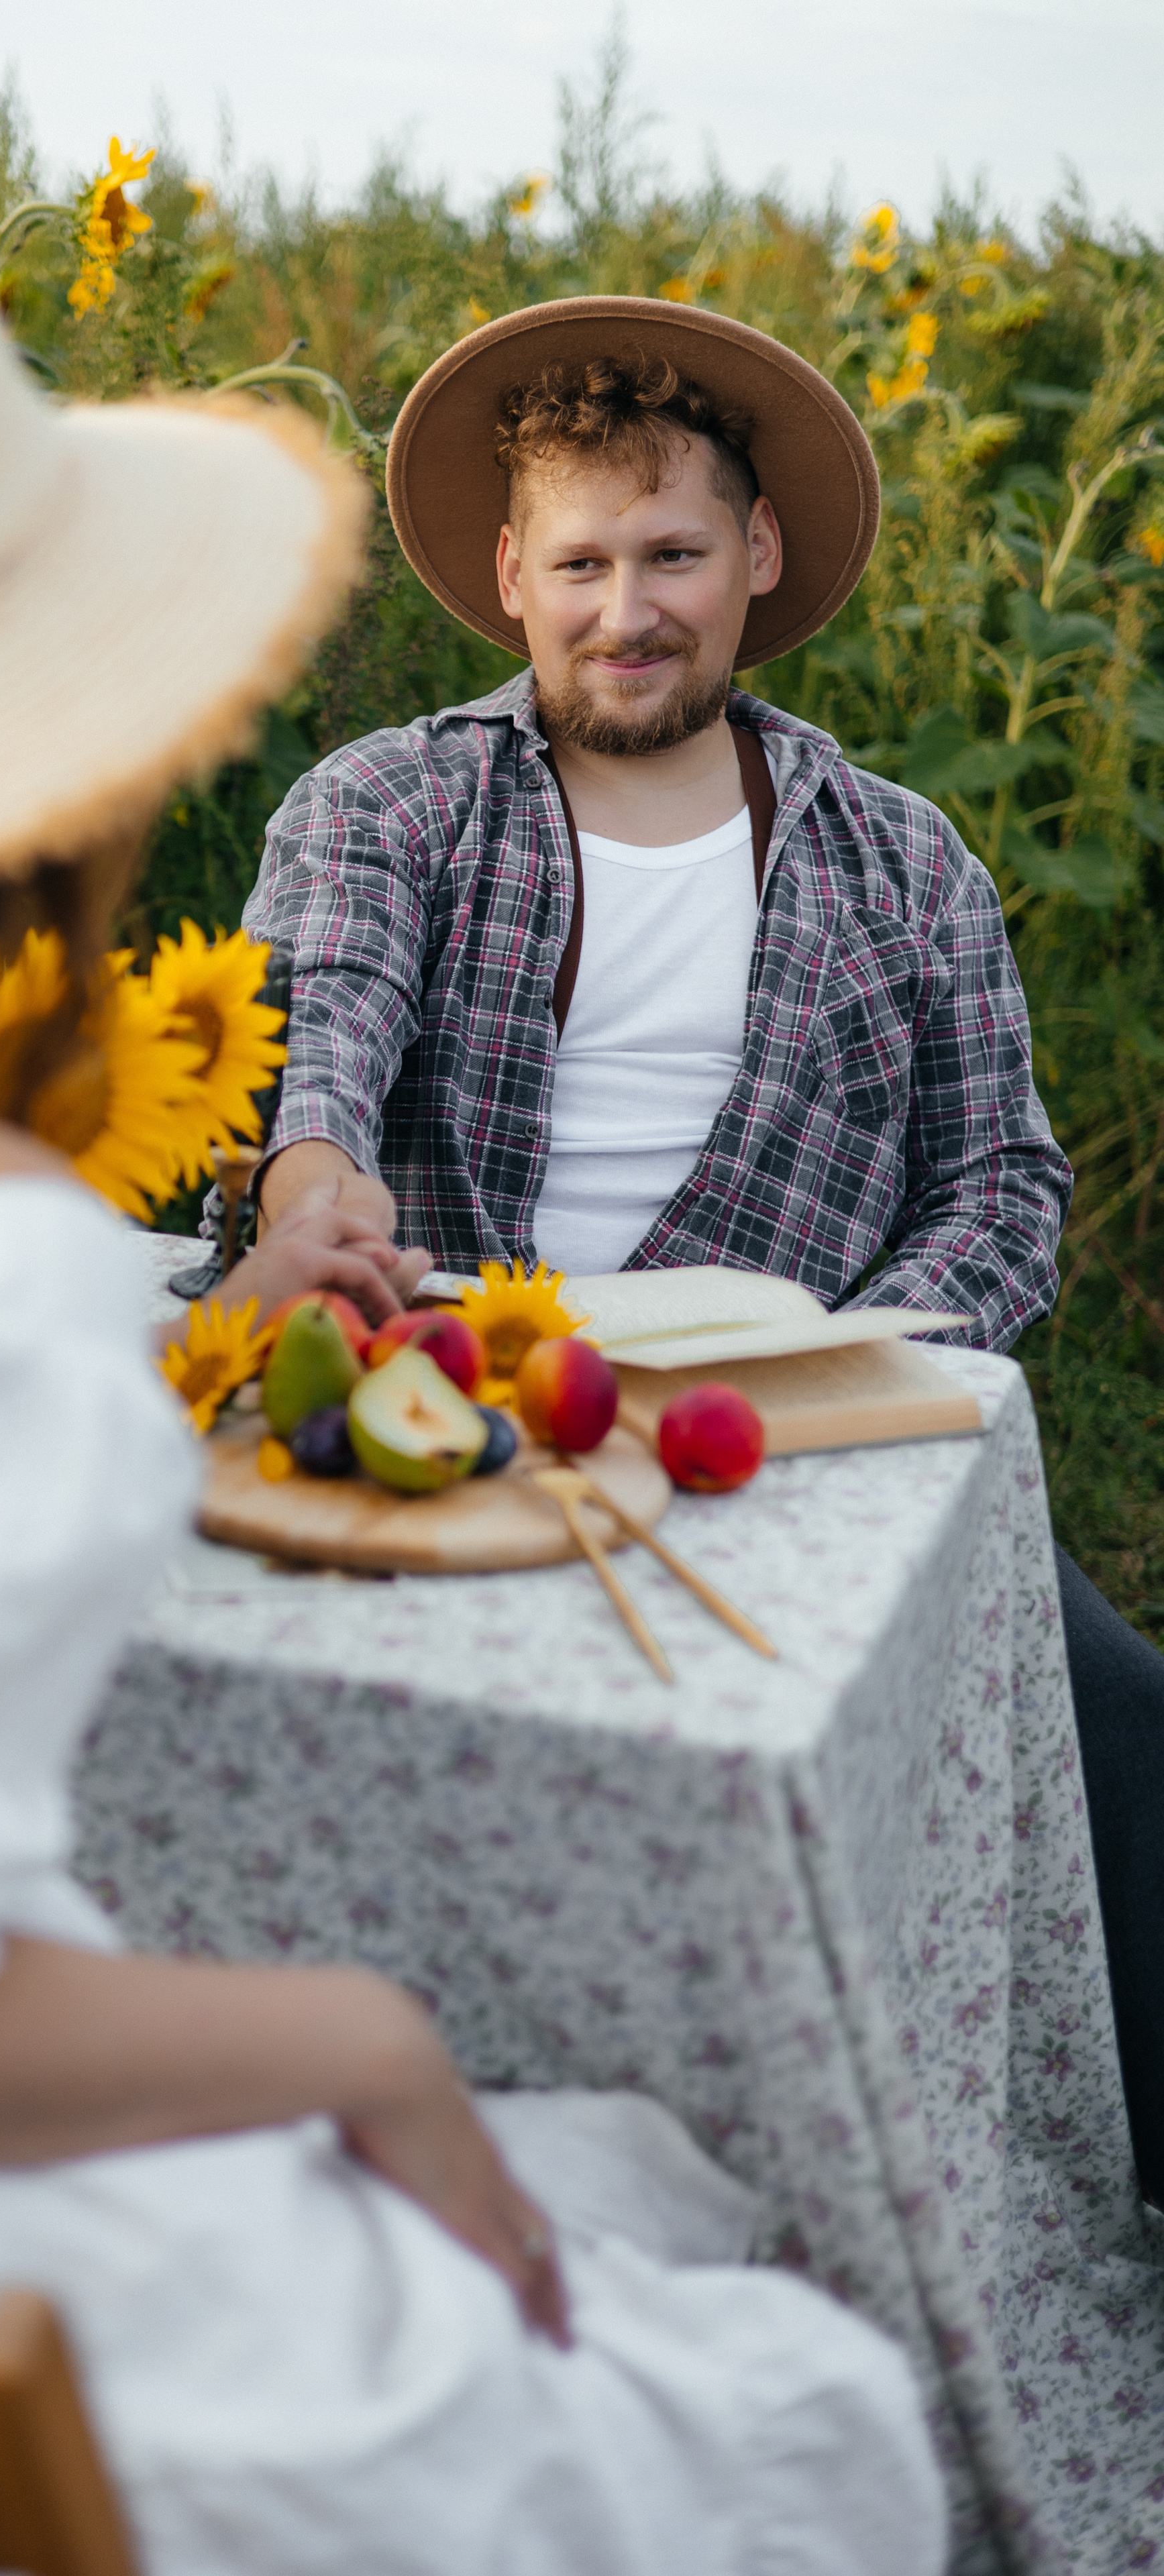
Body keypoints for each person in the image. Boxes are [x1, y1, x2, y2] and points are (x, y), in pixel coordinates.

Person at [0, 248, 947, 2576]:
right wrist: (356, 2037)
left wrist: (214, 1312)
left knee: (621, 2198)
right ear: (70, 742)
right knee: (802, 2406)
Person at [242, 294, 1164, 2204]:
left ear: (756, 556)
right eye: (580, 561)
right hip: (456, 1395)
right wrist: (311, 1185)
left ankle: (1075, 2169)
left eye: (673, 554)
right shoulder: (394, 802)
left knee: (1112, 1738)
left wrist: (851, 1368)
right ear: (510, 574)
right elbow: (317, 1018)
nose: (626, 609)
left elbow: (1005, 1182)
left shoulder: (902, 855)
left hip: (794, 1433)